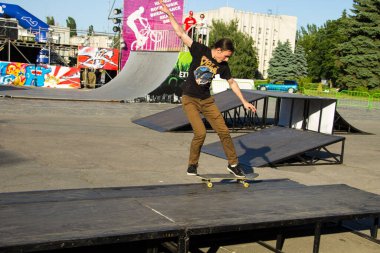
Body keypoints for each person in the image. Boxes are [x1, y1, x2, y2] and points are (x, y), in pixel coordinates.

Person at [159, 0, 256, 178]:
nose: (226, 60)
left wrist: (244, 101)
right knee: (200, 133)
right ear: (218, 50)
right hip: (189, 98)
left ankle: (233, 164)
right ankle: (192, 165)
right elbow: (181, 33)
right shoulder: (199, 50)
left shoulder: (223, 66)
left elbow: (232, 83)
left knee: (224, 131)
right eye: (225, 56)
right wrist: (169, 14)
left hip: (207, 100)